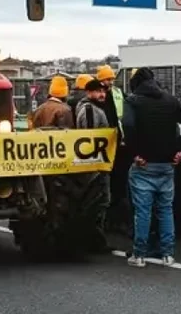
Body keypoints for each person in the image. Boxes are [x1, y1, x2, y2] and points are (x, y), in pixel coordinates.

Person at [122, 68, 181, 268]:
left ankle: (139, 254)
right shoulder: (170, 100)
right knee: (165, 210)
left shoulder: (133, 101)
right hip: (167, 164)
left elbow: (127, 124)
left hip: (143, 164)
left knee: (143, 211)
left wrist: (134, 151)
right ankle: (168, 254)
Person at [75, 78, 113, 253]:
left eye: (104, 92)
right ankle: (94, 241)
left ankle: (94, 240)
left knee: (98, 202)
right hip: (95, 165)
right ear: (89, 92)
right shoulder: (90, 110)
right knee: (97, 202)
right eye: (98, 91)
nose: (102, 94)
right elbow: (89, 138)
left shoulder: (92, 108)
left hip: (96, 163)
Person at [97, 65, 131, 234]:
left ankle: (116, 219)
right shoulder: (97, 96)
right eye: (106, 79)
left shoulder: (118, 94)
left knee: (119, 185)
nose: (109, 82)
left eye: (111, 79)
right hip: (106, 146)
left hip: (119, 145)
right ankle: (109, 220)